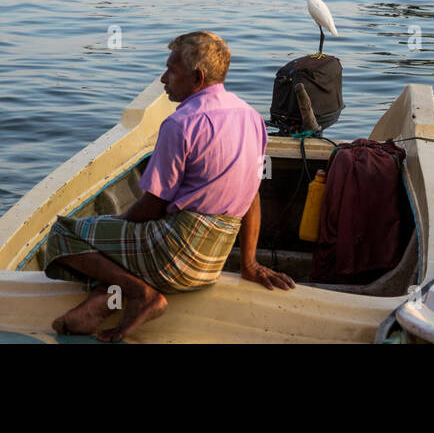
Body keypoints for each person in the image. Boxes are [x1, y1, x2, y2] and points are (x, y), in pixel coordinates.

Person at [44, 31, 294, 341]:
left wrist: (114, 227)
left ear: (197, 77)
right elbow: (252, 194)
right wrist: (249, 263)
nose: (163, 78)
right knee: (119, 244)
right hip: (210, 265)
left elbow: (152, 207)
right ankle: (102, 302)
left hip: (173, 258)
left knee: (63, 233)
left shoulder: (180, 123)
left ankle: (141, 294)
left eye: (171, 70)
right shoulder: (251, 118)